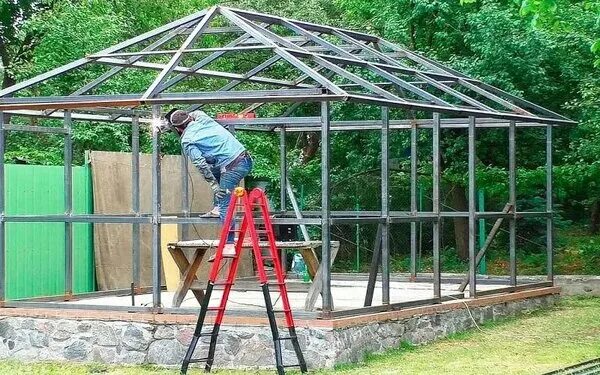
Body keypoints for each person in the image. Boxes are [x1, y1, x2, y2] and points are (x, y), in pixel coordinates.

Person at [164, 109, 252, 260]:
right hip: (245, 159)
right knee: (214, 165)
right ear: (189, 118)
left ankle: (229, 244)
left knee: (225, 201)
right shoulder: (204, 119)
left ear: (178, 129)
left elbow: (200, 164)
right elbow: (197, 112)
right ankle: (217, 208)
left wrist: (214, 186)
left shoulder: (187, 140)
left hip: (232, 167)